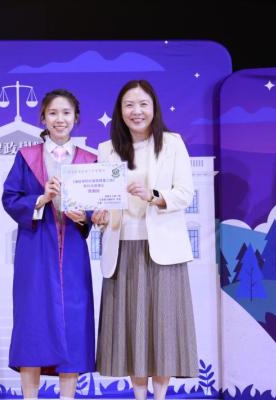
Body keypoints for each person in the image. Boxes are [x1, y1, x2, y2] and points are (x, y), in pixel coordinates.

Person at [92, 80, 198, 400]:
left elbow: (185, 193)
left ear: (154, 108)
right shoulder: (106, 149)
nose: (136, 111)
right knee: (131, 329)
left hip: (163, 249)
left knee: (163, 328)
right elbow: (102, 198)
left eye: (143, 104)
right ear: (120, 111)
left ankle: (160, 396)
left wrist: (152, 195)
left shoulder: (172, 143)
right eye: (129, 105)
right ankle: (138, 396)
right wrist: (99, 216)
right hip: (122, 247)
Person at [2, 89, 96, 400]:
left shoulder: (89, 160)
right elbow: (10, 198)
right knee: (33, 320)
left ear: (76, 118)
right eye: (53, 113)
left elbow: (95, 209)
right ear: (43, 118)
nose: (60, 119)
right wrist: (41, 199)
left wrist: (84, 216)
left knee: (73, 321)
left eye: (66, 113)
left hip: (72, 250)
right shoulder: (27, 156)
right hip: (35, 248)